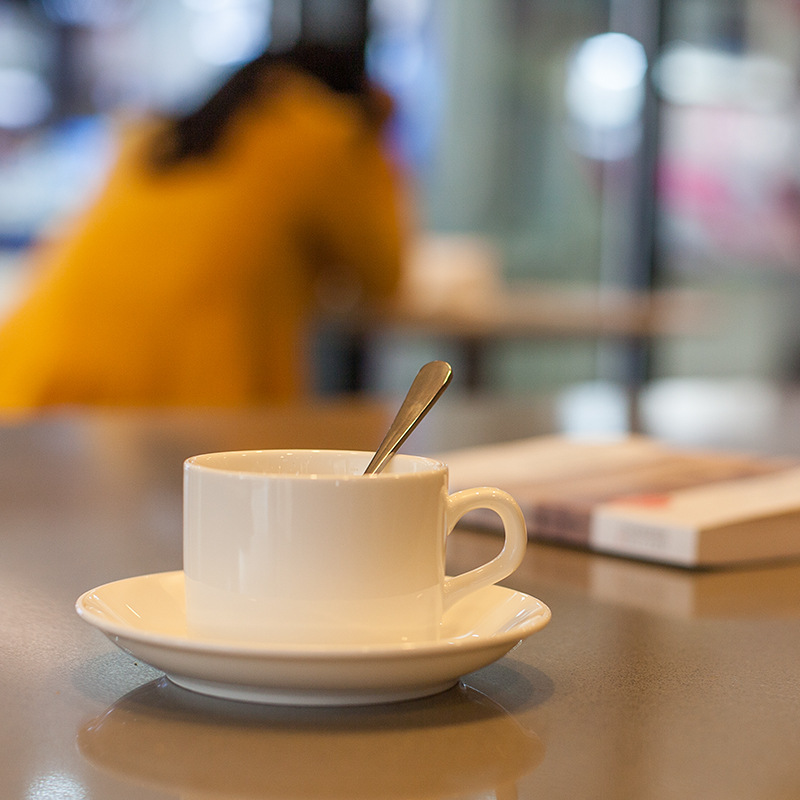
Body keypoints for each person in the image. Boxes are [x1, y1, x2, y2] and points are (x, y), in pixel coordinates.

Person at [0, 44, 407, 410]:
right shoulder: (324, 137)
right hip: (180, 396)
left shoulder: (160, 135)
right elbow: (383, 274)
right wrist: (378, 142)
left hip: (35, 372)